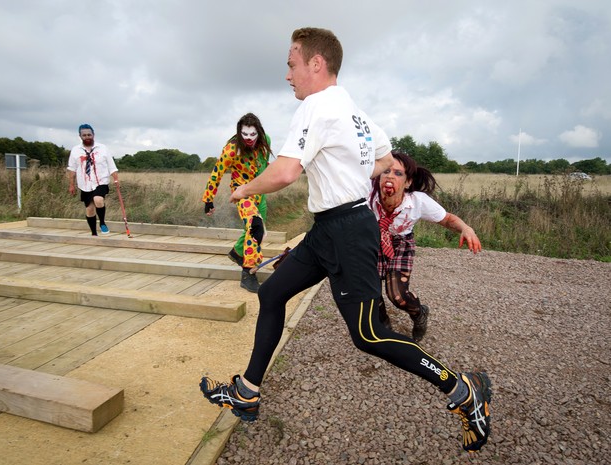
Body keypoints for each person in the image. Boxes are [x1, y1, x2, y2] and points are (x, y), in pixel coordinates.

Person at [200, 27, 492, 453]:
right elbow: (387, 161)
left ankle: (463, 390)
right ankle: (247, 391)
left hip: (347, 229)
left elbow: (284, 172)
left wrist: (244, 190)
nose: (288, 75)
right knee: (274, 293)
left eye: (291, 64)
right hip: (331, 227)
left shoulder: (316, 106)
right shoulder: (355, 112)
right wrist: (349, 176)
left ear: (316, 63)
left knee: (369, 335)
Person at [370, 151, 482, 341]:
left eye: (398, 173)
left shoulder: (417, 201)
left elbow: (446, 219)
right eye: (386, 171)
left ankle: (419, 313)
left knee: (398, 296)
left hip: (400, 243)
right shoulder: (365, 195)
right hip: (371, 240)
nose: (390, 176)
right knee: (368, 291)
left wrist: (466, 228)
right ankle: (383, 324)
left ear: (408, 182)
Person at [202, 113, 272, 293]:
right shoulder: (231, 150)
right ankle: (248, 273)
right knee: (255, 227)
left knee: (257, 231)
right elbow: (216, 173)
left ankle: (237, 252)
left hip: (259, 192)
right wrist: (208, 200)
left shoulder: (265, 141)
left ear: (259, 132)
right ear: (239, 132)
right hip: (241, 192)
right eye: (245, 134)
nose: (249, 139)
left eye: (253, 134)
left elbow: (263, 164)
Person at [67, 124, 119, 236]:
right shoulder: (76, 150)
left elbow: (112, 166)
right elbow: (72, 169)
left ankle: (102, 223)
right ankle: (94, 233)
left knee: (98, 199)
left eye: (89, 134)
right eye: (84, 135)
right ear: (80, 136)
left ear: (93, 135)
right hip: (85, 184)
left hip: (101, 181)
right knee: (90, 209)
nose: (87, 137)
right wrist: (71, 185)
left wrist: (116, 179)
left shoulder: (102, 148)